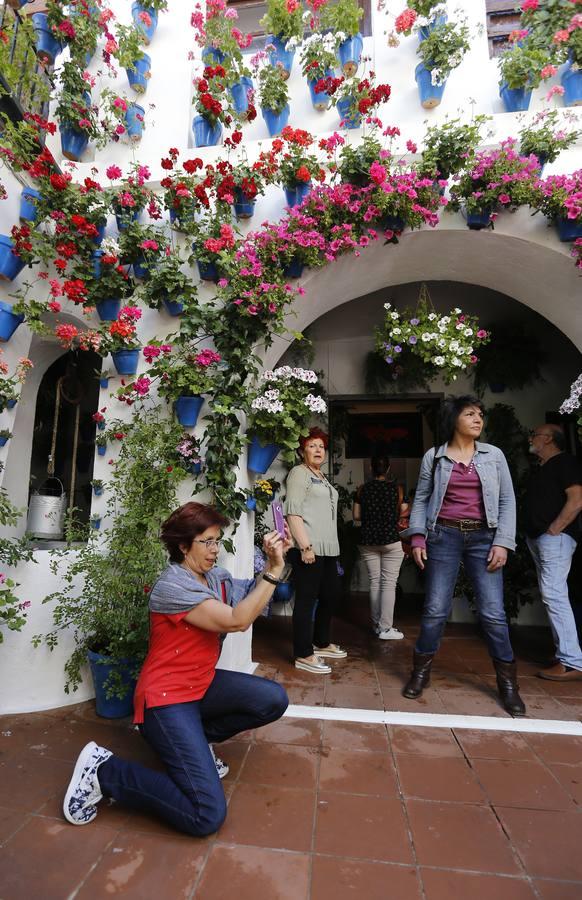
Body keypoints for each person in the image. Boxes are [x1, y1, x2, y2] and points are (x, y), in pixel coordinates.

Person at [63, 502, 290, 835]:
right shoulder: (173, 587)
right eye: (207, 542)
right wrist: (273, 570)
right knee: (206, 817)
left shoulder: (217, 577)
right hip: (165, 699)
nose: (215, 549)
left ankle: (196, 742)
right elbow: (238, 620)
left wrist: (276, 559)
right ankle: (104, 773)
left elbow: (250, 595)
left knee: (273, 699)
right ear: (183, 546)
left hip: (201, 684)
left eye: (217, 540)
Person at [402, 395, 525, 716]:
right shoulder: (435, 457)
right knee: (435, 609)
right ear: (453, 419)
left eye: (480, 414)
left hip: (485, 537)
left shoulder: (494, 455)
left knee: (493, 613)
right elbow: (422, 498)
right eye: (469, 413)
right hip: (443, 535)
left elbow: (508, 500)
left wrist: (503, 542)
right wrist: (418, 536)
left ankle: (508, 685)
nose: (477, 419)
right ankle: (420, 672)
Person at [285, 427, 347, 674]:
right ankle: (303, 654)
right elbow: (293, 512)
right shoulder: (299, 474)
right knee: (306, 600)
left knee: (331, 595)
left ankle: (320, 642)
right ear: (302, 451)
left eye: (321, 446)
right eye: (312, 445)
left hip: (328, 549)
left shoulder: (321, 476)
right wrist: (305, 546)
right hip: (309, 548)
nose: (318, 449)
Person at [525, 424, 582, 680]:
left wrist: (555, 529)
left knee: (555, 595)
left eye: (534, 434)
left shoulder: (565, 462)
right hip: (541, 539)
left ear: (547, 439)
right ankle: (565, 654)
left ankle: (572, 662)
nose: (531, 439)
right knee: (553, 595)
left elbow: (577, 499)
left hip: (554, 539)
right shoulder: (544, 467)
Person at [352, 455, 405, 639]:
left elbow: (357, 516)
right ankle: (386, 628)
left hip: (368, 540)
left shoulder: (362, 490)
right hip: (390, 539)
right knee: (388, 584)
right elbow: (403, 512)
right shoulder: (396, 490)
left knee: (375, 582)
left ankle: (376, 625)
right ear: (388, 468)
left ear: (371, 469)